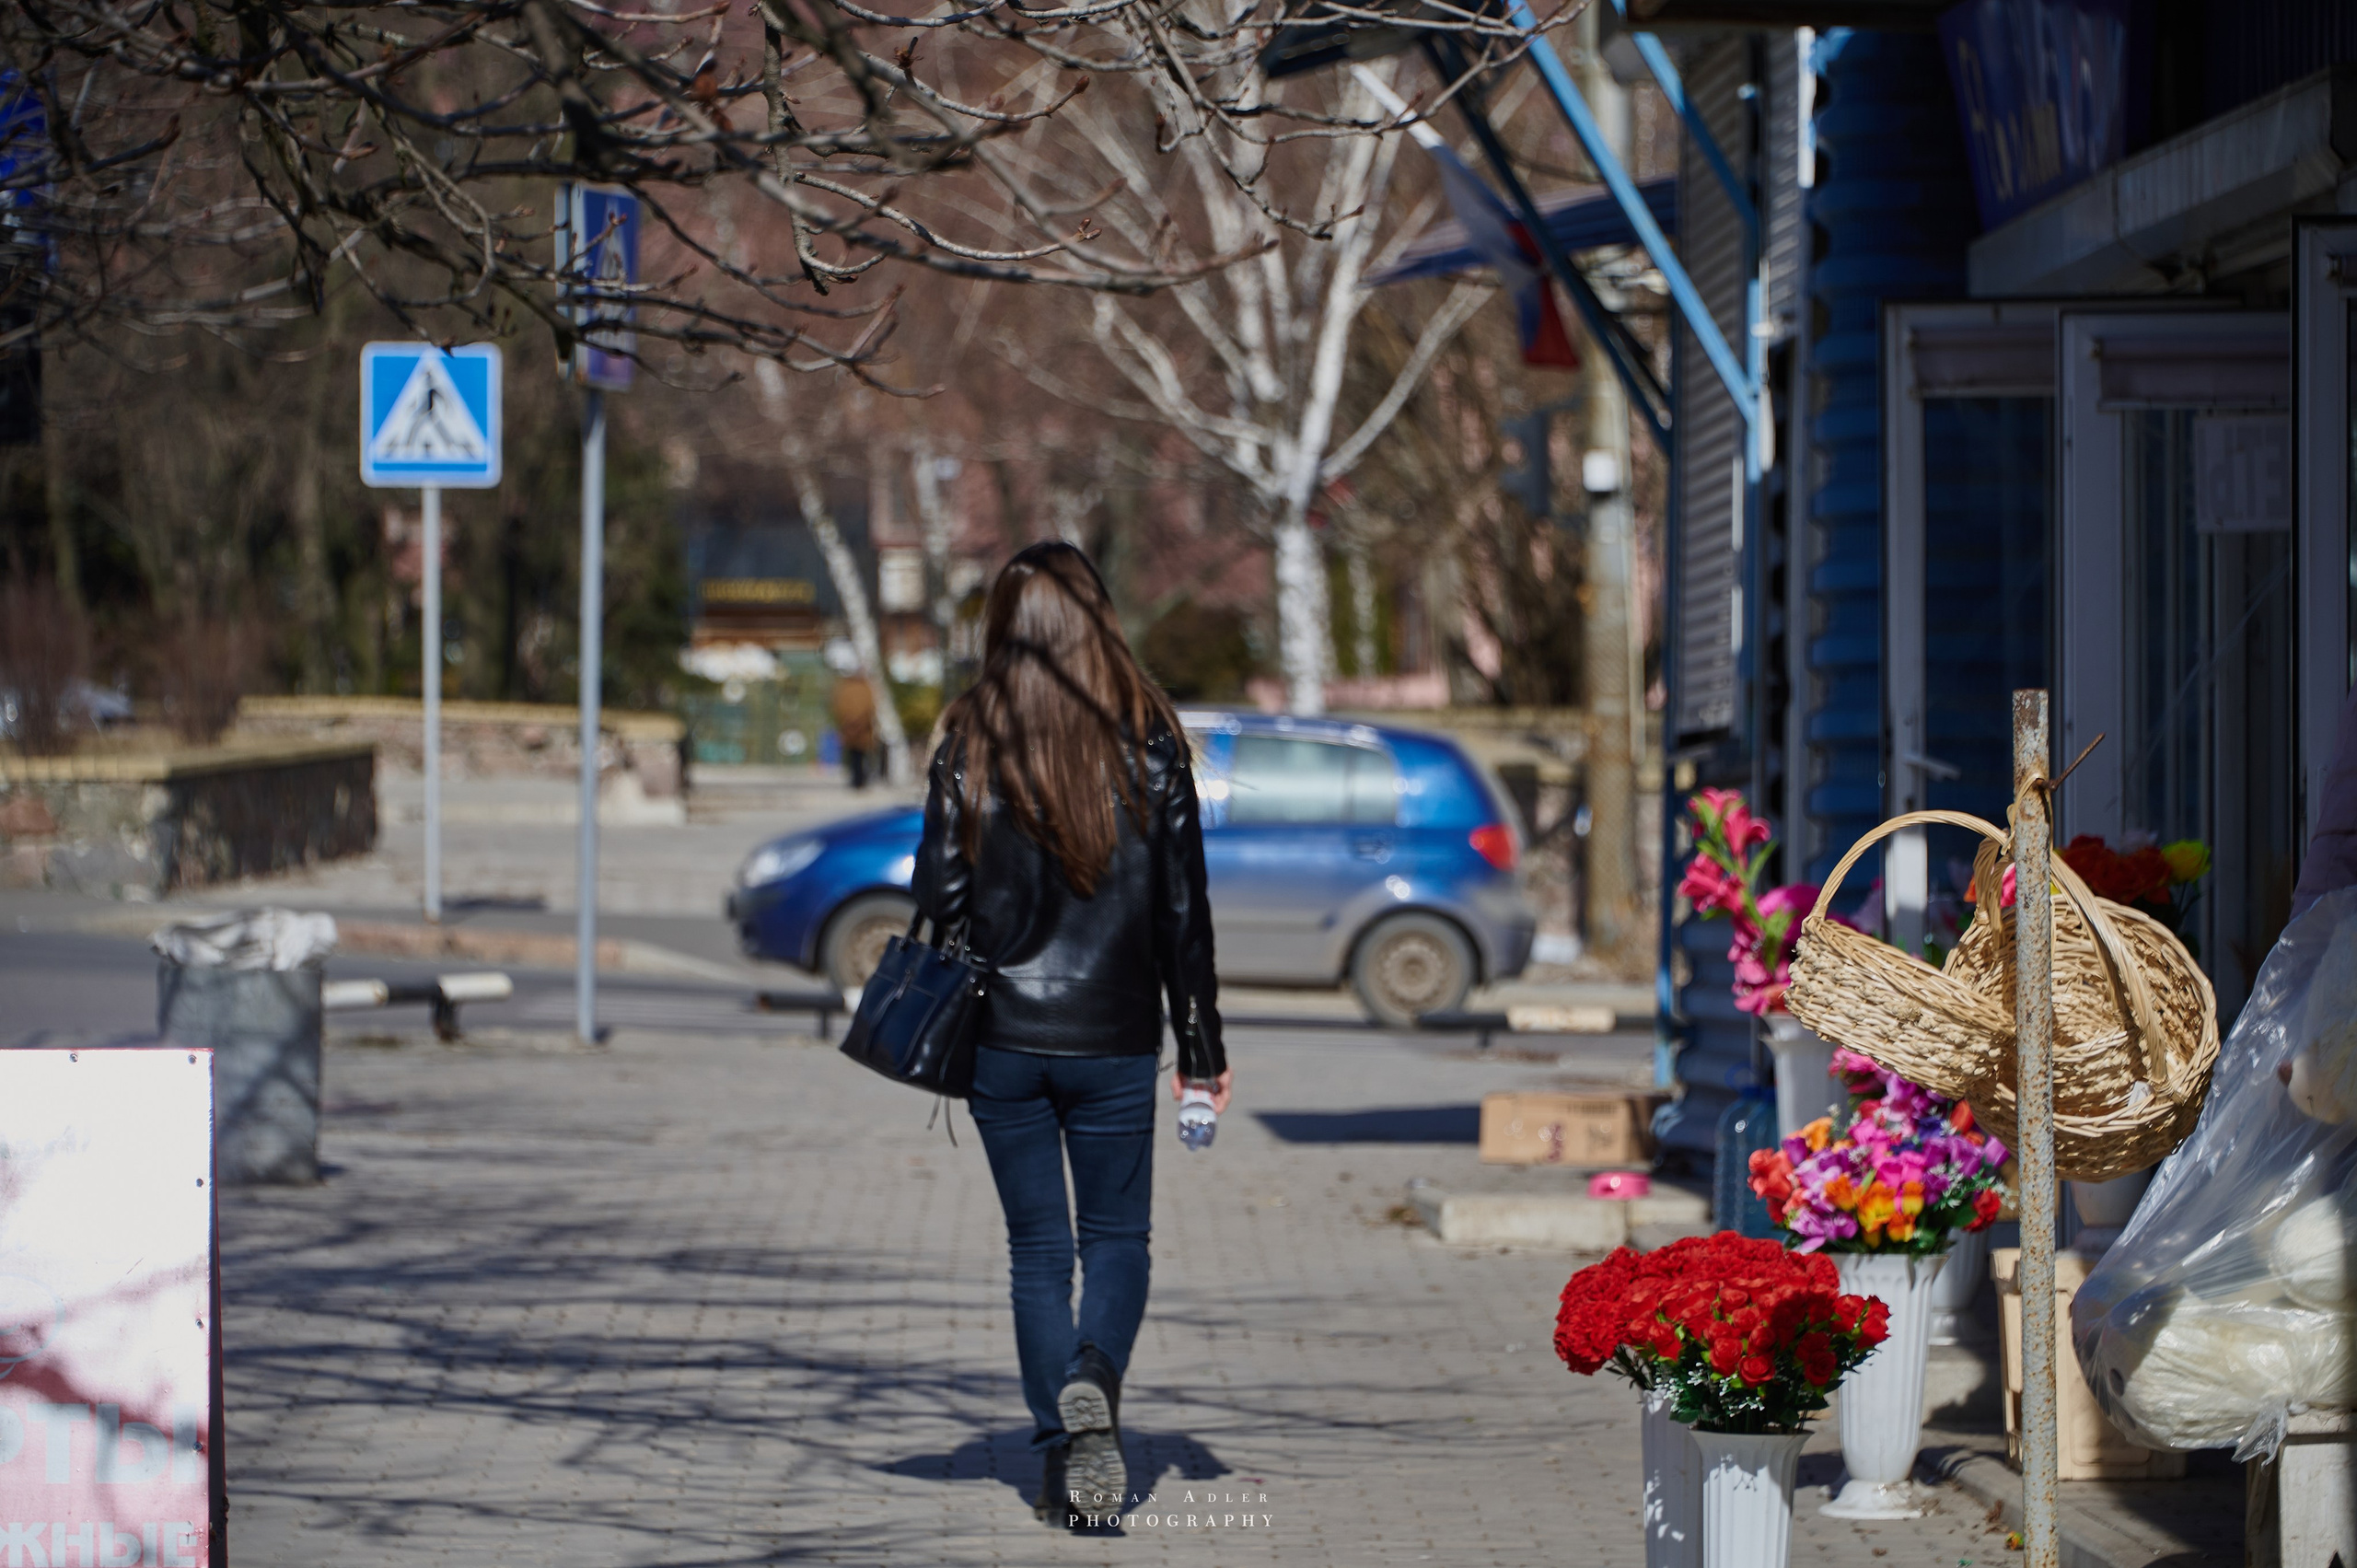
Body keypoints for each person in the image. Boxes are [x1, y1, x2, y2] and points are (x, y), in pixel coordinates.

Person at [911, 541, 1229, 1530]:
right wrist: (1203, 1051)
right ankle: (1095, 1372)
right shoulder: (1150, 740)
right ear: (1096, 620)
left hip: (1002, 1038)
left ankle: (1062, 1455)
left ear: (1004, 627)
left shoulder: (971, 737)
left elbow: (937, 893)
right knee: (1117, 1238)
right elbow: (1184, 913)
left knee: (1037, 1250)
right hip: (1115, 1036)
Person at [831, 672, 877, 790]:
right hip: (862, 727)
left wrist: (847, 721)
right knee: (861, 754)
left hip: (851, 727)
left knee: (854, 755)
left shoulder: (845, 688)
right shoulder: (866, 688)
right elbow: (870, 707)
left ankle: (857, 779)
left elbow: (839, 706)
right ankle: (860, 779)